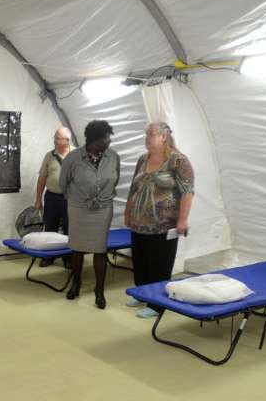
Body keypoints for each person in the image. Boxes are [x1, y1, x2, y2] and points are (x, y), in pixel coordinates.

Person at [124, 121, 194, 319]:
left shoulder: (177, 160)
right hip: (139, 224)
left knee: (159, 264)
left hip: (164, 225)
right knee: (140, 261)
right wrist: (128, 212)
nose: (147, 138)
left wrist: (183, 219)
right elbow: (133, 188)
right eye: (146, 135)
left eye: (151, 134)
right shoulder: (142, 159)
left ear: (164, 136)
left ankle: (156, 304)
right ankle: (142, 293)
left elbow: (187, 191)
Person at [59, 120, 120, 309]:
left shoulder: (113, 157)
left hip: (103, 209)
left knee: (100, 249)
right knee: (77, 248)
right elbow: (63, 184)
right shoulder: (73, 158)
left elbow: (115, 179)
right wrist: (79, 200)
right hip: (79, 209)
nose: (109, 140)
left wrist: (102, 197)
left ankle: (99, 290)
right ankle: (76, 283)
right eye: (106, 137)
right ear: (95, 140)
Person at [34, 127, 73, 267]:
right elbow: (42, 178)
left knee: (70, 229)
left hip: (70, 199)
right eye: (55, 137)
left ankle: (68, 258)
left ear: (67, 140)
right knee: (50, 227)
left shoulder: (78, 155)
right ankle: (49, 257)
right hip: (51, 197)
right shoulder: (49, 156)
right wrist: (38, 199)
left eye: (58, 138)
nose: (55, 141)